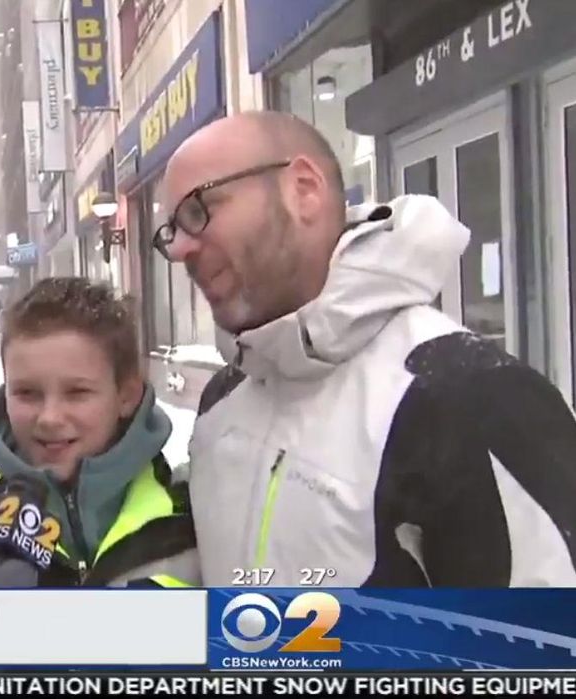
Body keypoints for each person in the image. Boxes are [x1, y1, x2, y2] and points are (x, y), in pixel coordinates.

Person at [156, 110, 576, 587]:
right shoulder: (221, 402)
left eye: (198, 211)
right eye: (172, 232)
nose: (179, 251)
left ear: (304, 190)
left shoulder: (473, 398)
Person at [0, 277, 199, 587]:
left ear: (126, 395)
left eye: (77, 392)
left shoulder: (191, 523)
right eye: (28, 393)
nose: (50, 417)